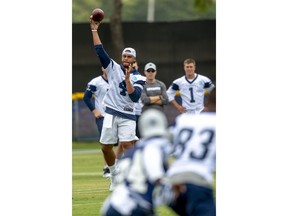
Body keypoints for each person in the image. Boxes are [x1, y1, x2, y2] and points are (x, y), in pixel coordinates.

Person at [89, 17, 146, 191]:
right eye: (124, 55)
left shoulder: (139, 77)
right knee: (105, 147)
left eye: (129, 56)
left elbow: (135, 97)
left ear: (134, 59)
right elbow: (100, 51)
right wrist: (94, 30)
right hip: (111, 112)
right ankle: (114, 174)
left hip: (128, 114)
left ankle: (127, 174)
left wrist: (128, 79)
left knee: (128, 145)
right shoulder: (113, 67)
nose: (126, 58)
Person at [100, 108, 174, 216]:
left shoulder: (134, 150)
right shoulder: (153, 147)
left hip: (112, 204)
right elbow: (157, 176)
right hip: (134, 206)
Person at [167, 88, 216, 216]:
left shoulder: (184, 120)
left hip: (172, 183)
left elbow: (161, 144)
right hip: (197, 183)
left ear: (206, 104)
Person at [83, 67, 112, 178]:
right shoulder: (96, 82)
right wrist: (94, 111)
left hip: (117, 115)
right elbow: (86, 97)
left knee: (123, 142)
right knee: (106, 143)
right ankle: (106, 168)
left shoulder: (118, 79)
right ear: (102, 68)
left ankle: (120, 166)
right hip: (103, 117)